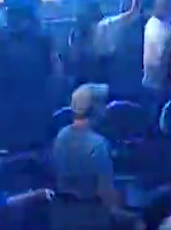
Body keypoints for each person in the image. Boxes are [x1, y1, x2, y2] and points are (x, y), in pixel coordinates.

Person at [52, 83, 133, 227]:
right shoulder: (98, 144)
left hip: (63, 213)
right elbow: (106, 195)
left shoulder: (61, 135)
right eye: (103, 104)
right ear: (96, 108)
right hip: (92, 216)